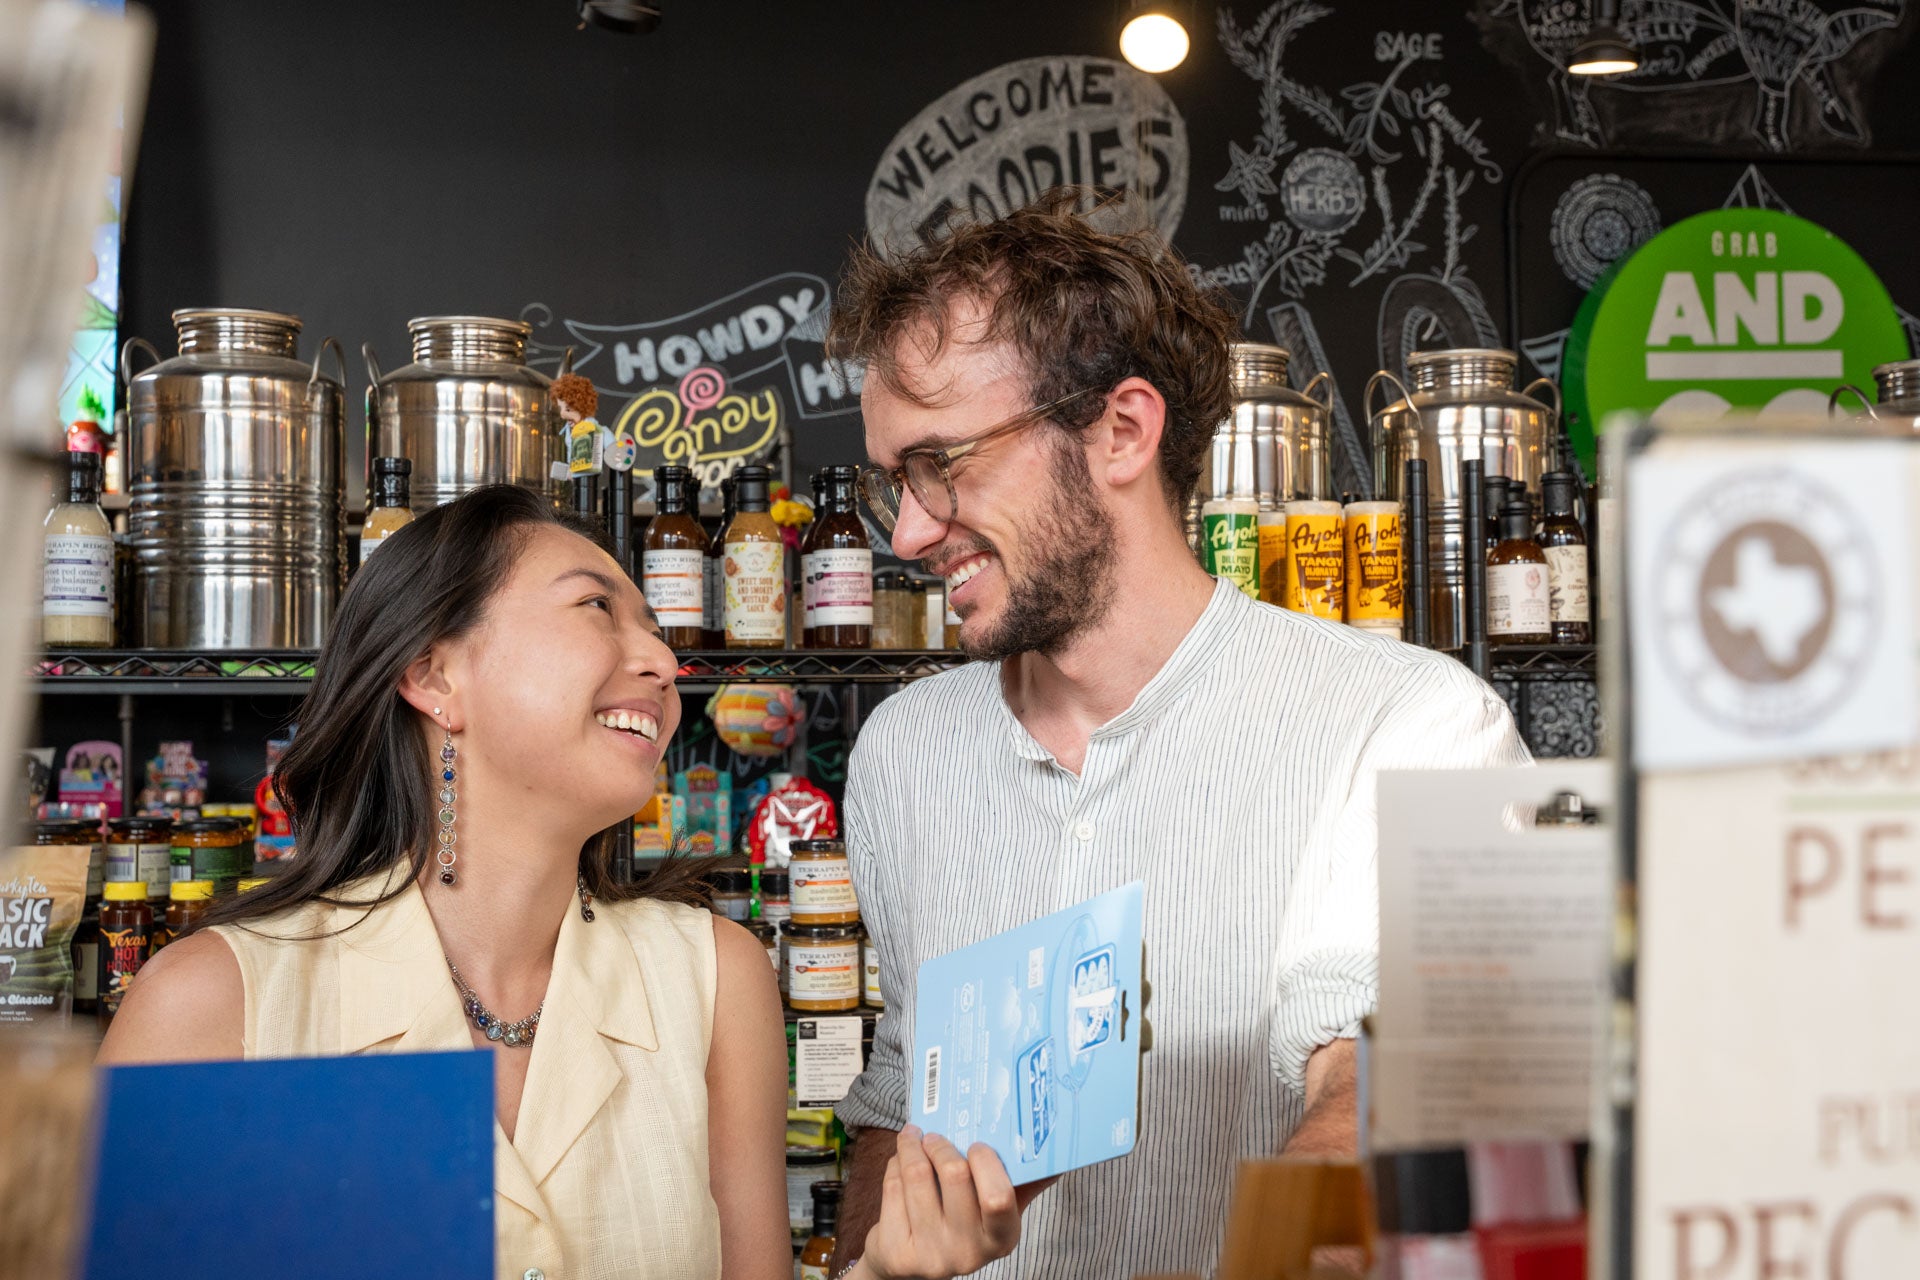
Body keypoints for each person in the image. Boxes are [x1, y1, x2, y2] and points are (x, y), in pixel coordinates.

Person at [825, 191, 1532, 1279]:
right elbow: (895, 1106)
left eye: (942, 464)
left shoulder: (1408, 721)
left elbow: (1383, 1080)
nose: (909, 530)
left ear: (1121, 430)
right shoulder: (903, 755)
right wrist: (901, 1226)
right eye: (893, 482)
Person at [99, 486, 1024, 1280]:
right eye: (596, 609)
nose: (664, 662)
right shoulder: (212, 1005)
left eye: (658, 631)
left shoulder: (710, 975)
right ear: (433, 673)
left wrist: (889, 1270)